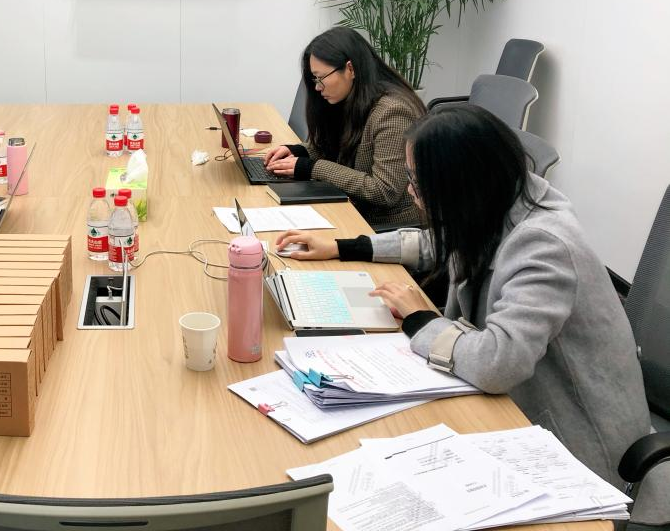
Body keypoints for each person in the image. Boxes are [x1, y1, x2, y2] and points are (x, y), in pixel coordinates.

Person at [274, 105, 653, 490]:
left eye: (417, 182)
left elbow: (498, 364)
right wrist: (343, 246)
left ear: (460, 183)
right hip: (514, 411)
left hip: (578, 449)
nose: (410, 191)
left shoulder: (544, 245)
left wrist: (421, 319)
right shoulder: (498, 200)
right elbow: (435, 243)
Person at [263, 27, 426, 228]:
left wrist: (312, 168)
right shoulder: (348, 99)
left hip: (385, 225)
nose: (317, 87)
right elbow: (331, 148)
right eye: (315, 79)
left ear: (350, 69)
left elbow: (384, 191)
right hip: (350, 207)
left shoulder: (393, 111)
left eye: (321, 78)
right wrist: (299, 151)